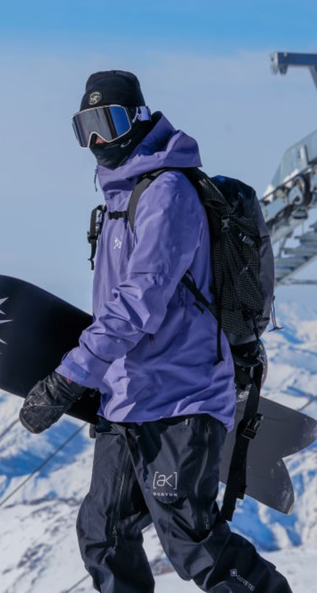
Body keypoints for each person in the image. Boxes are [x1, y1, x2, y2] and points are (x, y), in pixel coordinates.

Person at [19, 70, 292, 593]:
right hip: (127, 399)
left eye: (108, 123)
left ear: (139, 118)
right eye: (85, 129)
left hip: (179, 397)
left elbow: (138, 303)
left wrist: (66, 380)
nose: (98, 140)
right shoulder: (119, 199)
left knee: (191, 541)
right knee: (103, 534)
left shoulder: (167, 192)